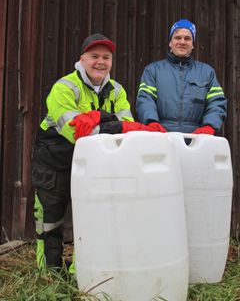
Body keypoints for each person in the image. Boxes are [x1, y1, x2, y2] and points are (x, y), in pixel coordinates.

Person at [32, 33, 154, 271]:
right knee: (49, 222)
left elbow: (127, 130)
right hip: (54, 163)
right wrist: (113, 121)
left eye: (106, 57)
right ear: (82, 58)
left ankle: (82, 274)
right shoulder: (64, 87)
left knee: (92, 221)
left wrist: (101, 118)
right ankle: (48, 274)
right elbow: (77, 133)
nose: (100, 62)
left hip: (95, 166)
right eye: (94, 56)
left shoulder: (117, 90)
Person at [136, 19, 227, 135]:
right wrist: (151, 122)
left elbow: (217, 102)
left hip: (197, 139)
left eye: (187, 38)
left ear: (193, 44)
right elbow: (145, 99)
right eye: (177, 37)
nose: (182, 42)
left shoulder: (207, 72)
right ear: (170, 42)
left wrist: (210, 125)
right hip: (161, 137)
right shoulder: (153, 70)